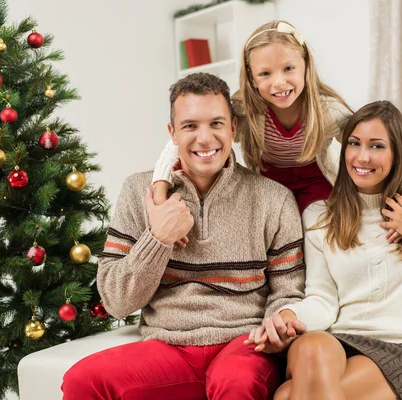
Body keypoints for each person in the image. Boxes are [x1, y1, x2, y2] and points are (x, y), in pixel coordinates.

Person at [61, 72, 306, 400]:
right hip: (167, 348)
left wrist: (279, 325)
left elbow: (288, 292)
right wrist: (158, 237)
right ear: (172, 133)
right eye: (190, 126)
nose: (205, 139)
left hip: (243, 345)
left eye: (216, 124)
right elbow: (117, 303)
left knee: (237, 383)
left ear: (233, 128)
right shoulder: (139, 191)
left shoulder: (273, 198)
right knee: (83, 380)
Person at [246, 101, 402, 400]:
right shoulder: (319, 216)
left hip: (401, 350)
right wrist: (288, 314)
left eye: (377, 146)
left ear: (397, 155)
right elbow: (322, 299)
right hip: (337, 344)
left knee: (288, 395)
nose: (362, 156)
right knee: (311, 345)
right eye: (354, 143)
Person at [151, 20, 402, 249]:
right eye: (265, 73)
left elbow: (372, 141)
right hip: (267, 181)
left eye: (288, 68)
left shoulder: (326, 110)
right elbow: (181, 141)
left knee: (318, 228)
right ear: (253, 79)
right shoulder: (245, 110)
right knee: (264, 233)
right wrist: (160, 189)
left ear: (305, 66)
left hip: (315, 179)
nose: (279, 82)